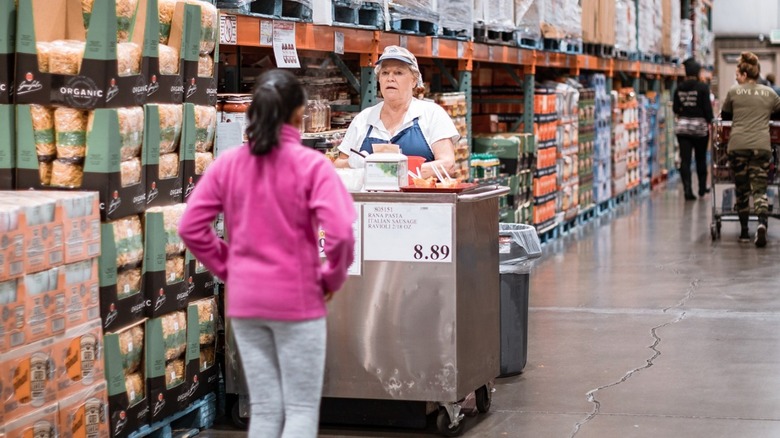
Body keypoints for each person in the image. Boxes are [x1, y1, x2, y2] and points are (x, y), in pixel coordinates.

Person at [178, 70, 356, 436]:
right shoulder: (313, 166)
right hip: (298, 299)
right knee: (301, 409)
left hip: (245, 302)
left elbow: (190, 226)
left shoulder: (228, 164)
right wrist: (328, 277)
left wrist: (230, 268)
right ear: (299, 114)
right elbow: (340, 234)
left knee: (264, 408)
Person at [334, 45, 459, 178]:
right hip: (372, 198)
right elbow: (338, 165)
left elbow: (447, 165)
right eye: (385, 73)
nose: (390, 78)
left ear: (414, 81)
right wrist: (354, 163)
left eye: (398, 73)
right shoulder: (364, 118)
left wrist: (390, 172)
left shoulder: (432, 114)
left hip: (419, 198)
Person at [720, 52, 780, 247]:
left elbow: (725, 116)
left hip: (738, 146)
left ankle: (745, 232)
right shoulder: (770, 93)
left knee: (742, 189)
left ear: (745, 75)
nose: (736, 77)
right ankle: (762, 224)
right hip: (761, 146)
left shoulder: (734, 92)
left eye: (738, 74)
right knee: (760, 188)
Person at [673, 58, 714, 200]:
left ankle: (687, 190)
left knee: (685, 160)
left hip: (683, 128)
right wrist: (711, 121)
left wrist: (684, 111)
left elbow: (675, 108)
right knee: (700, 159)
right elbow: (707, 109)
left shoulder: (679, 88)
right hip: (699, 129)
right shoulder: (702, 87)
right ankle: (702, 188)